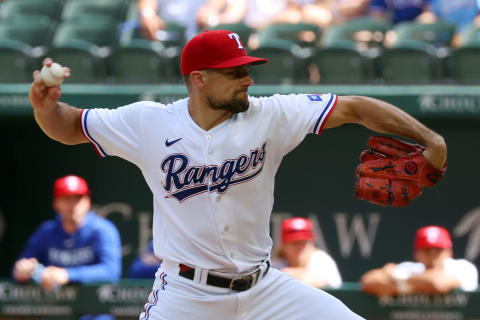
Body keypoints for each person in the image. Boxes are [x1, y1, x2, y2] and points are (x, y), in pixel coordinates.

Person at [29, 29, 447, 319]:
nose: (247, 78)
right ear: (199, 79)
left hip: (265, 289)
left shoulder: (271, 114)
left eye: (246, 69)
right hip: (186, 294)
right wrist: (45, 107)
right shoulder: (149, 123)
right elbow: (69, 127)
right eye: (234, 72)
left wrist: (430, 139)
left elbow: (354, 106)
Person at [13, 175, 122, 292]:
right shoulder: (46, 231)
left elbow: (111, 272)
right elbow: (21, 266)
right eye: (66, 199)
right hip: (56, 306)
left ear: (88, 201)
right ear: (56, 203)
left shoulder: (102, 229)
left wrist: (67, 275)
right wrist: (23, 270)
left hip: (93, 306)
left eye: (77, 198)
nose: (73, 205)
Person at [361, 225, 478, 296]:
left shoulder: (464, 268)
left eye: (438, 250)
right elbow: (368, 282)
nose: (433, 256)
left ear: (449, 252)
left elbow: (437, 284)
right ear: (416, 253)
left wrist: (400, 279)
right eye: (426, 250)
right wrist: (416, 284)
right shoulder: (411, 268)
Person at [272, 217, 342, 289]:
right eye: (295, 243)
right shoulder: (275, 264)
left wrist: (291, 275)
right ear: (284, 245)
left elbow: (333, 284)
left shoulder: (322, 260)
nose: (300, 247)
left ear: (312, 243)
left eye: (304, 243)